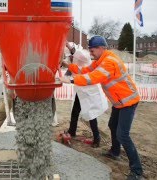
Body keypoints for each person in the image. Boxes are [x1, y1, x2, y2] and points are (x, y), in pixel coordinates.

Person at [60, 36, 143, 180]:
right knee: (112, 126)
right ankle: (115, 152)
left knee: (122, 134)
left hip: (128, 102)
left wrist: (70, 80)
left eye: (92, 51)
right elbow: (85, 70)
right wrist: (67, 66)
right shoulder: (101, 60)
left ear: (100, 48)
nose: (90, 54)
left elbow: (92, 78)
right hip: (119, 102)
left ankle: (137, 171)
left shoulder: (109, 62)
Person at [63, 42, 108, 148]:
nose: (69, 57)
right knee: (75, 111)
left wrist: (70, 48)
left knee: (91, 114)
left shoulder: (84, 55)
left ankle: (97, 139)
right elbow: (70, 70)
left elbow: (80, 57)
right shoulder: (74, 60)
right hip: (81, 90)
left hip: (89, 90)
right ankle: (72, 131)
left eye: (70, 55)